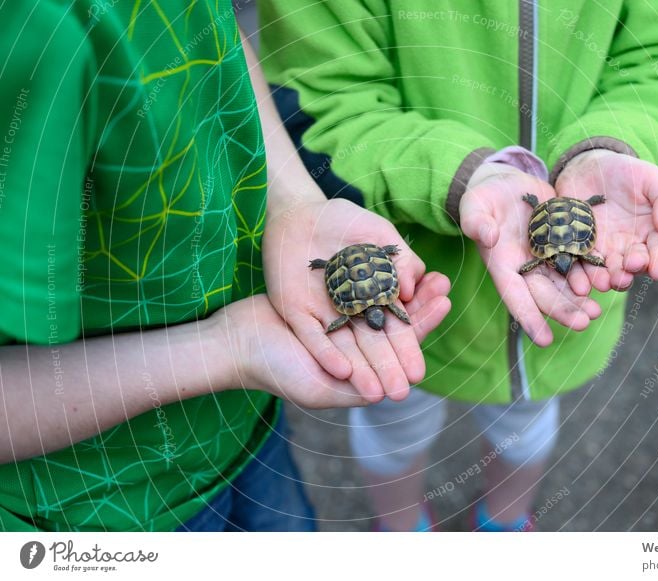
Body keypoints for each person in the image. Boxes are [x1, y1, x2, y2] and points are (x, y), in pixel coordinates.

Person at [259, 0, 658, 530]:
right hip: (424, 295)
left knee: (525, 428)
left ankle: (503, 522)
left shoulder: (557, 261)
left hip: (556, 317)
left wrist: (614, 147)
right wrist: (464, 176)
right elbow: (320, 100)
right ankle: (402, 526)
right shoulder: (394, 311)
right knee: (394, 422)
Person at [0, 1, 451, 531]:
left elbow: (217, 35)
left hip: (242, 421)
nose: (380, 319)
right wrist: (225, 349)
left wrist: (294, 201)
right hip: (103, 506)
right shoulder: (30, 36)